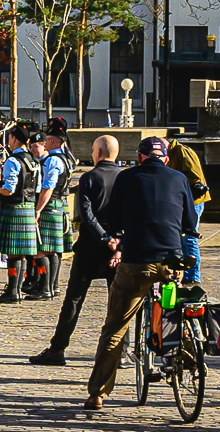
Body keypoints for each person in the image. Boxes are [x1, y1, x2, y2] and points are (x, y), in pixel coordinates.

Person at [83, 136, 199, 411]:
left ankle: (97, 393)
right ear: (166, 159)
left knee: (114, 328)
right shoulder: (179, 179)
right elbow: (190, 222)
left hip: (136, 263)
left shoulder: (126, 177)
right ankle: (188, 352)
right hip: (171, 264)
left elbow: (114, 219)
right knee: (174, 310)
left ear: (139, 157)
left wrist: (121, 231)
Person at [31, 135, 123, 366]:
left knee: (74, 298)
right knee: (119, 301)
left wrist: (104, 238)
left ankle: (58, 348)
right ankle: (120, 350)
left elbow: (86, 215)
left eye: (93, 150)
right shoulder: (125, 178)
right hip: (118, 247)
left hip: (91, 246)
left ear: (99, 153)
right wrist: (118, 239)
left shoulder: (90, 177)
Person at [0, 125, 43, 303]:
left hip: (14, 208)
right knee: (22, 253)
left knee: (14, 254)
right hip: (29, 207)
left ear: (14, 138)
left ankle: (13, 291)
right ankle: (17, 290)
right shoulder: (34, 160)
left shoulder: (13, 161)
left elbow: (9, 189)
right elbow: (37, 188)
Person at [30, 120, 75, 300]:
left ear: (53, 141)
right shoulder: (67, 158)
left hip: (50, 205)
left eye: (48, 139)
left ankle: (45, 287)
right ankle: (52, 286)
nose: (45, 142)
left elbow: (48, 186)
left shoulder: (54, 159)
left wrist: (38, 209)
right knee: (54, 250)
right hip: (59, 204)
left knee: (41, 249)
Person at [167, 136, 212, 287]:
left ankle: (193, 275)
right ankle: (186, 273)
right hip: (188, 201)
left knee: (189, 237)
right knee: (183, 237)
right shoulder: (175, 152)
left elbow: (195, 178)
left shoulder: (182, 151)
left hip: (193, 201)